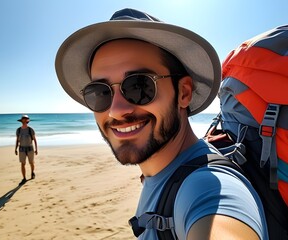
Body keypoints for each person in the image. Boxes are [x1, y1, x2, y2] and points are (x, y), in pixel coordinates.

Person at [55, 8, 268, 240]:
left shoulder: (207, 187)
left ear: (184, 93)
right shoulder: (160, 173)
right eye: (100, 93)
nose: (116, 110)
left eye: (139, 86)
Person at [15, 115, 38, 185]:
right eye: (23, 119)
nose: (24, 120)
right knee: (22, 164)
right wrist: (15, 148)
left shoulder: (30, 129)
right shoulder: (18, 130)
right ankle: (24, 178)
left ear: (27, 121)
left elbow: (34, 140)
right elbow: (17, 140)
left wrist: (36, 149)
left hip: (30, 148)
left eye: (26, 119)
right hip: (21, 149)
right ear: (21, 121)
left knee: (31, 162)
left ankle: (32, 172)